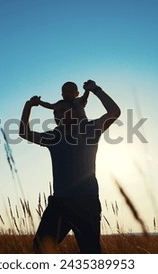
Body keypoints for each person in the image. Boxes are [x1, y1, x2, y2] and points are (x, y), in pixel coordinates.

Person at [19, 79, 121, 253]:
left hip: (85, 203)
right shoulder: (54, 137)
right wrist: (28, 106)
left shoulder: (89, 130)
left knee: (91, 253)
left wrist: (95, 89)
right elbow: (24, 133)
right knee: (39, 248)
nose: (57, 114)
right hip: (59, 203)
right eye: (56, 112)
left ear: (75, 112)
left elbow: (114, 112)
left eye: (63, 111)